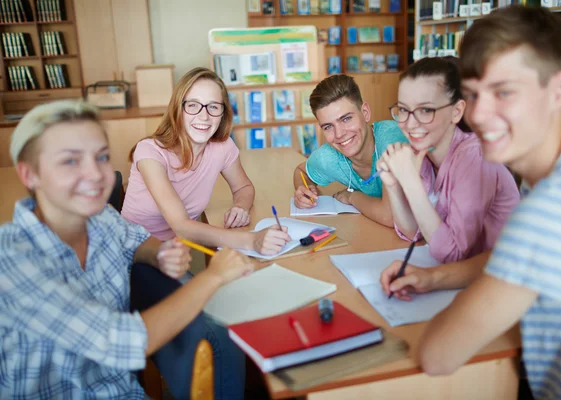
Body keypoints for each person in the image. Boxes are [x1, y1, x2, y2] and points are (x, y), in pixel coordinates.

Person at [0, 100, 253, 399]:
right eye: (70, 161)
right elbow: (122, 341)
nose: (95, 174)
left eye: (102, 157)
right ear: (30, 175)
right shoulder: (12, 260)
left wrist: (159, 254)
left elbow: (134, 240)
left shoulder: (100, 217)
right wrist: (213, 277)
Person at [416, 6, 561, 400]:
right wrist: (433, 278)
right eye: (472, 94)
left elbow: (438, 355)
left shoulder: (553, 209)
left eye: (504, 92)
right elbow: (518, 258)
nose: (479, 114)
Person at [122, 67, 290, 256]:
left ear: (223, 113)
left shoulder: (222, 147)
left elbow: (243, 188)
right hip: (133, 255)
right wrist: (252, 240)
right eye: (193, 105)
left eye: (213, 107)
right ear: (178, 108)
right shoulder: (149, 152)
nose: (204, 116)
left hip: (175, 256)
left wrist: (241, 207)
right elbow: (182, 227)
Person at [376, 57, 519, 265]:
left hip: (503, 281)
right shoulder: (425, 153)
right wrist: (394, 186)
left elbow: (452, 253)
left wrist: (409, 181)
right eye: (404, 110)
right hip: (462, 278)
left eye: (426, 110)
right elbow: (414, 232)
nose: (410, 123)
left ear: (456, 111)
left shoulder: (476, 158)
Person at [292, 74, 409, 227]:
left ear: (365, 112)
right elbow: (301, 171)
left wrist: (352, 197)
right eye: (328, 127)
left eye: (346, 119)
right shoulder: (329, 156)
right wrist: (304, 189)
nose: (339, 134)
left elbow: (390, 216)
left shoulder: (392, 141)